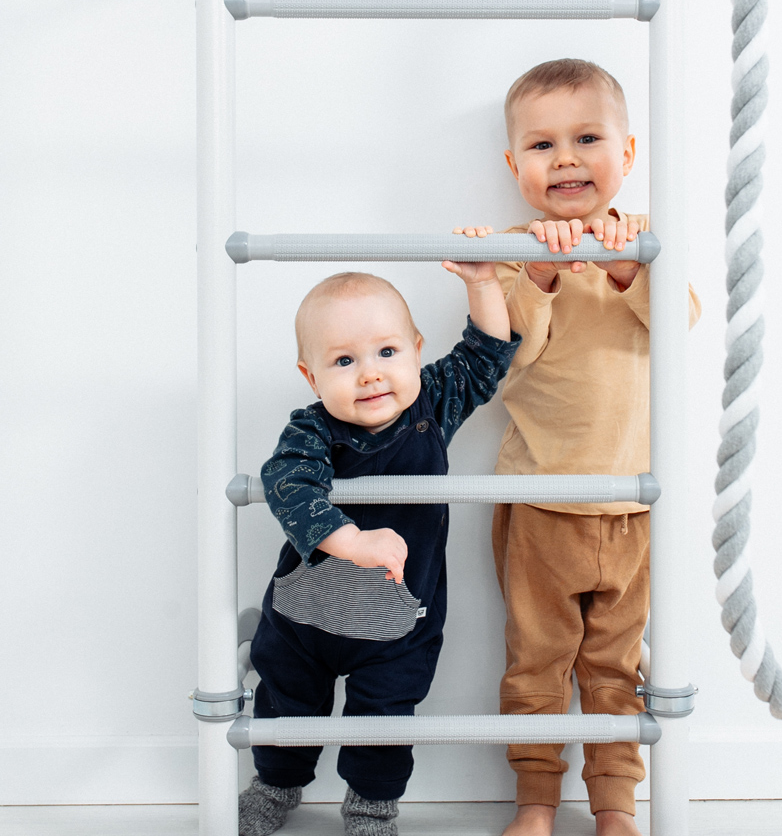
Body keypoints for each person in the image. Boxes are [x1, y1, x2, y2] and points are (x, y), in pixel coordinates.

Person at [457, 58, 701, 836]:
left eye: (587, 139)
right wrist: (541, 278)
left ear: (626, 153)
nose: (564, 158)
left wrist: (624, 265)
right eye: (542, 145)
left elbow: (681, 325)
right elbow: (504, 363)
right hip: (541, 505)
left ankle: (615, 806)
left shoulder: (647, 241)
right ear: (515, 165)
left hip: (633, 504)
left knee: (615, 670)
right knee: (536, 663)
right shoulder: (512, 251)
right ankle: (535, 801)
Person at [239, 266, 520, 836]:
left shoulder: (431, 405)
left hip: (398, 622)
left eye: (387, 352)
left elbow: (485, 356)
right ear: (311, 376)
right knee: (286, 700)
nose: (370, 374)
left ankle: (371, 806)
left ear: (416, 351)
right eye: (344, 361)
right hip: (307, 617)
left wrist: (482, 285)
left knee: (386, 715)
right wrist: (351, 541)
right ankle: (275, 784)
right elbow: (288, 484)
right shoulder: (312, 429)